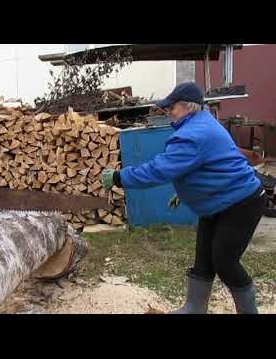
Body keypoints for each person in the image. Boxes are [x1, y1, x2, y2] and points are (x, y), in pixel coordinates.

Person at [101, 82, 266, 314]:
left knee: (225, 262)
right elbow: (208, 165)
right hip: (220, 202)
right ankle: (195, 307)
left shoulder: (193, 135)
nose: (168, 111)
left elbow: (159, 170)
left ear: (188, 107)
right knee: (204, 259)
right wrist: (185, 191)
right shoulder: (203, 122)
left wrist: (120, 177)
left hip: (241, 203)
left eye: (172, 107)